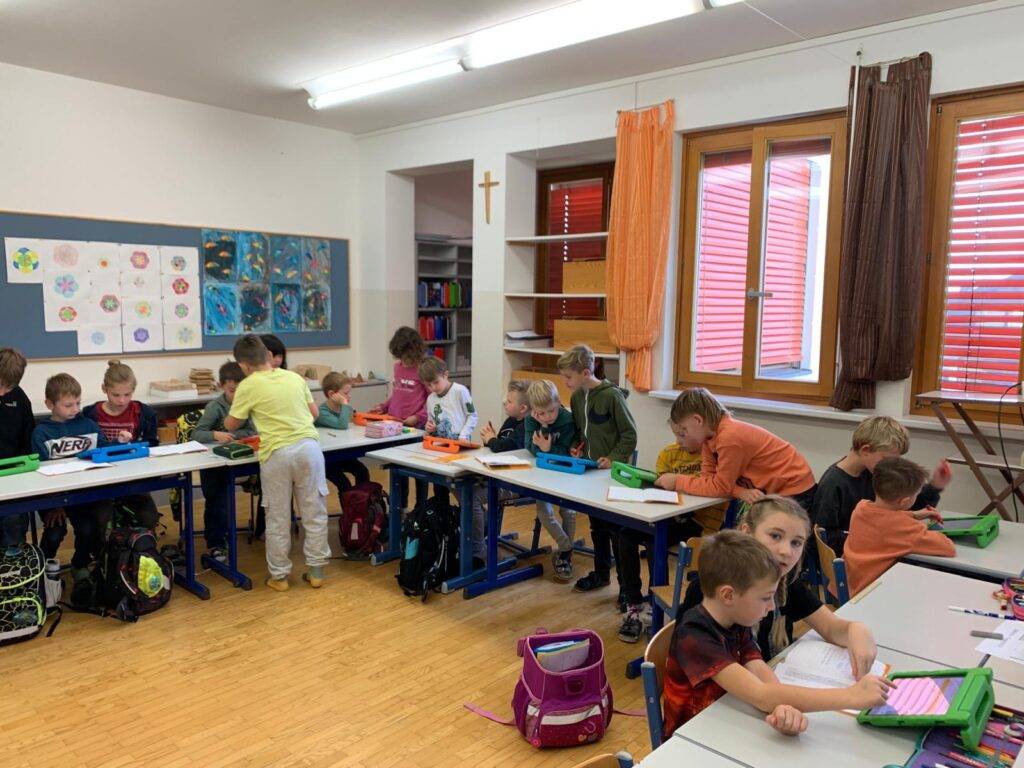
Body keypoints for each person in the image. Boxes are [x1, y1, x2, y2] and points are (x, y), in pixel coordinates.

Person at [662, 529, 892, 738]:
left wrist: (782, 706)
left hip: (729, 717)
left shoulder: (733, 616)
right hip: (693, 737)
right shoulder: (695, 635)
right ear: (728, 595)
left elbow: (756, 665)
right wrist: (851, 696)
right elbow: (761, 694)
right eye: (765, 598)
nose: (772, 606)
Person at [680, 496, 878, 668]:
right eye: (775, 536)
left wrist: (858, 631)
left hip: (770, 678)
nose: (786, 551)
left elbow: (831, 628)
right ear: (746, 532)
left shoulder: (787, 582)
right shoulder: (707, 590)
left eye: (796, 542)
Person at [225, 335, 330, 591]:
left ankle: (279, 577)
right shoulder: (294, 378)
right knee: (314, 511)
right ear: (268, 356)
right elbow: (314, 413)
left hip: (277, 454)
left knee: (277, 517)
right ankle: (316, 572)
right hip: (309, 449)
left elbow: (232, 424)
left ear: (243, 365)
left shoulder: (248, 385)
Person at [616, 424, 727, 643]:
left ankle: (656, 606)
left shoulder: (712, 459)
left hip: (696, 522)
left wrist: (679, 486)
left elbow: (715, 497)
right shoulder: (668, 453)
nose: (678, 441)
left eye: (683, 435)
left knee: (653, 541)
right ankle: (634, 604)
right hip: (667, 517)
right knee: (626, 535)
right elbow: (659, 489)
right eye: (676, 435)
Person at [557, 345, 637, 597]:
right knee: (597, 527)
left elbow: (630, 435)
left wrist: (613, 458)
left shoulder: (612, 396)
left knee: (616, 532)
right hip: (590, 473)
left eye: (568, 376)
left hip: (613, 476)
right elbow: (580, 432)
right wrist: (575, 446)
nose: (565, 381)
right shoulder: (577, 398)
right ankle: (601, 574)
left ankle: (626, 589)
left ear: (585, 372)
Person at [656, 388, 816, 511]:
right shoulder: (708, 439)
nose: (681, 439)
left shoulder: (729, 438)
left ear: (697, 420)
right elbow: (709, 481)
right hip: (776, 490)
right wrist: (739, 491)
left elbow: (720, 487)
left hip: (795, 488)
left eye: (684, 432)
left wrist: (678, 481)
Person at [812, 416, 952, 554]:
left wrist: (935, 486)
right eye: (886, 459)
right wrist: (878, 537)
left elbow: (902, 502)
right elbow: (824, 537)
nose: (891, 465)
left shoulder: (874, 472)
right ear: (866, 450)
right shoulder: (833, 484)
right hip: (853, 560)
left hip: (872, 550)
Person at [31, 373, 115, 602]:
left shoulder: (88, 425)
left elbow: (105, 453)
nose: (75, 409)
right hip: (53, 497)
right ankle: (41, 571)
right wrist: (55, 504)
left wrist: (120, 443)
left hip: (81, 495)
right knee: (55, 531)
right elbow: (40, 473)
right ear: (50, 404)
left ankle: (80, 564)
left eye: (78, 403)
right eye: (68, 405)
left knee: (87, 530)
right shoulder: (41, 433)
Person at [844, 457, 953, 596]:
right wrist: (916, 523)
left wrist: (913, 515)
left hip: (848, 584)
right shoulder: (904, 528)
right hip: (870, 592)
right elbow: (947, 547)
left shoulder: (861, 507)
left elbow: (885, 519)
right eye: (917, 494)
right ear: (904, 501)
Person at [83, 360, 160, 530]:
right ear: (104, 389)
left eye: (127, 395)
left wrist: (134, 446)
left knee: (149, 519)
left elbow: (152, 446)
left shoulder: (145, 414)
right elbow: (86, 448)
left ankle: (136, 542)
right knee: (100, 521)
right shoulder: (90, 414)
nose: (122, 400)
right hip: (100, 480)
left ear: (133, 390)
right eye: (116, 395)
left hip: (133, 478)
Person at [191, 361, 256, 561]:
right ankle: (216, 544)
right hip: (214, 463)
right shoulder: (215, 407)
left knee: (270, 484)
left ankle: (262, 531)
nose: (237, 396)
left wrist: (233, 435)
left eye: (241, 391)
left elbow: (252, 430)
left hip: (239, 458)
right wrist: (215, 435)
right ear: (221, 386)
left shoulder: (247, 405)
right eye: (232, 391)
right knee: (217, 501)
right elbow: (196, 433)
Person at [470, 380, 530, 568]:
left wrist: (492, 441)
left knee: (473, 497)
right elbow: (499, 446)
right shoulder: (511, 420)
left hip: (516, 483)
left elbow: (506, 446)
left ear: (523, 408)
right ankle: (481, 528)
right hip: (498, 475)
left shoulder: (527, 425)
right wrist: (490, 440)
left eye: (509, 401)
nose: (505, 402)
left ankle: (478, 551)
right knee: (462, 485)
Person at [524, 379, 577, 582]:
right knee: (544, 512)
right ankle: (566, 547)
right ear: (533, 410)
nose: (547, 416)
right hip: (542, 475)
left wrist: (547, 449)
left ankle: (565, 557)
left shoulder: (567, 419)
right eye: (541, 413)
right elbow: (530, 447)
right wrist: (544, 427)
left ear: (558, 402)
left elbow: (567, 451)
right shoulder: (532, 420)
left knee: (568, 512)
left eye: (552, 411)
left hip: (565, 474)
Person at [372, 326, 429, 505]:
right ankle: (400, 507)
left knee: (419, 470)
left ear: (415, 351)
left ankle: (421, 507)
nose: (405, 360)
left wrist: (418, 417)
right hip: (396, 425)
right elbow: (398, 393)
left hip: (416, 427)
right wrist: (383, 407)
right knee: (398, 467)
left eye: (408, 356)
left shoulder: (423, 369)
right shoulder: (398, 367)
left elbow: (432, 399)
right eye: (401, 356)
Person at [0, 348, 35, 547]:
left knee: (14, 521)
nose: (2, 392)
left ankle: (14, 556)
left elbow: (27, 439)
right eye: (0, 384)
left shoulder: (19, 398)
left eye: (9, 387)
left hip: (12, 472)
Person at [316, 371, 370, 495]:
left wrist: (345, 406)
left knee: (362, 471)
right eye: (345, 393)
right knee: (344, 483)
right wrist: (345, 404)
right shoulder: (322, 412)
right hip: (327, 458)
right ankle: (349, 506)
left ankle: (362, 502)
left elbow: (347, 426)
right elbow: (342, 425)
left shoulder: (342, 408)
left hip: (342, 453)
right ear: (332, 394)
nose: (348, 397)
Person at [421, 356, 477, 441]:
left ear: (445, 375)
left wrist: (464, 435)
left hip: (460, 442)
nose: (433, 387)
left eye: (436, 382)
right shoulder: (430, 399)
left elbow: (472, 415)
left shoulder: (460, 391)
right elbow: (431, 421)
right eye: (429, 385)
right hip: (439, 444)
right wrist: (428, 427)